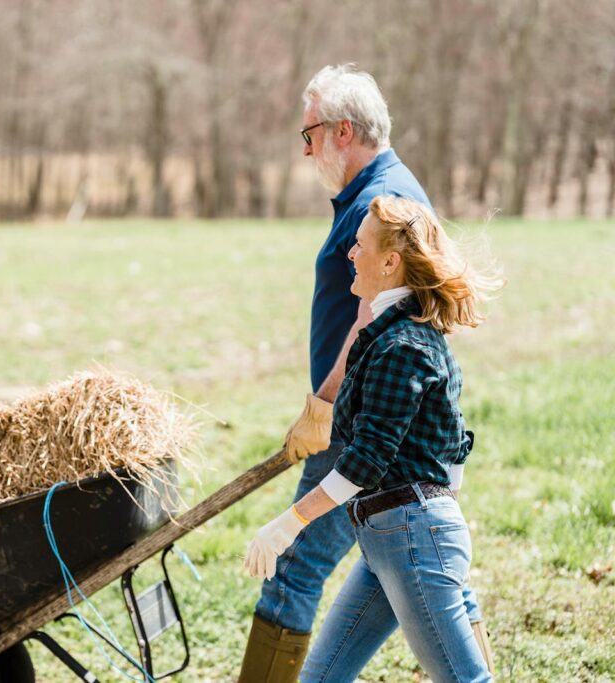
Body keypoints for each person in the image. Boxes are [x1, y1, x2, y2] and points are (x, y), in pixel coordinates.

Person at [237, 64, 494, 682]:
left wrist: (324, 406)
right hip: (388, 499)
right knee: (431, 590)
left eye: (310, 134)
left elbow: (367, 321)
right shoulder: (367, 197)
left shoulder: (387, 205)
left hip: (364, 442)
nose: (306, 150)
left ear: (342, 129)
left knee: (296, 566)